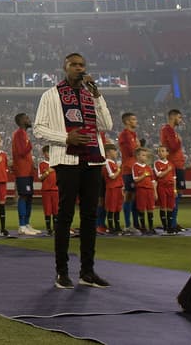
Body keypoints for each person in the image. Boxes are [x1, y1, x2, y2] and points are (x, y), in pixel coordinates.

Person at [34, 52, 113, 290]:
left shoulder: (91, 94)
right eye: (74, 65)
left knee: (90, 216)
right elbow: (38, 129)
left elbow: (107, 125)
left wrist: (98, 97)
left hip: (93, 160)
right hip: (67, 159)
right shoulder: (51, 95)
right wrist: (65, 137)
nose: (79, 68)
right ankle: (62, 271)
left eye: (82, 65)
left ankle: (87, 272)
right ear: (65, 67)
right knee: (65, 215)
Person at [12, 113, 40, 236]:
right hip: (22, 172)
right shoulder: (19, 133)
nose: (29, 120)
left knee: (28, 197)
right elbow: (21, 152)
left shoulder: (23, 134)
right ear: (21, 121)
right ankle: (22, 226)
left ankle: (27, 224)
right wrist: (30, 145)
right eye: (27, 118)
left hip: (27, 171)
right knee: (23, 196)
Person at [160, 109, 186, 230]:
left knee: (177, 194)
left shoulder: (171, 130)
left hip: (177, 164)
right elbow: (174, 147)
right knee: (175, 194)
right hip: (174, 165)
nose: (180, 120)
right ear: (173, 117)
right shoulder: (168, 130)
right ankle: (172, 223)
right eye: (179, 117)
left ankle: (173, 222)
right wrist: (179, 140)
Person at [116, 112, 138, 238]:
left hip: (134, 168)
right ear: (127, 121)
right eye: (133, 119)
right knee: (129, 196)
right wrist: (138, 147)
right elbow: (132, 151)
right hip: (128, 169)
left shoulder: (133, 134)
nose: (136, 121)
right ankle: (128, 225)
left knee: (134, 196)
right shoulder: (125, 135)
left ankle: (134, 224)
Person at [153, 144, 178, 234]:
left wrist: (175, 190)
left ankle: (170, 227)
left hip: (170, 188)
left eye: (163, 151)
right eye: (159, 151)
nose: (160, 153)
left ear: (167, 153)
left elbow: (174, 178)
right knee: (163, 207)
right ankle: (165, 228)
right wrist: (167, 170)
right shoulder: (157, 163)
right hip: (162, 187)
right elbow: (159, 175)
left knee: (170, 207)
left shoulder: (171, 164)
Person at [132, 148, 156, 234]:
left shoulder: (148, 167)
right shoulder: (135, 166)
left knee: (150, 209)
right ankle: (143, 227)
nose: (145, 157)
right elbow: (135, 179)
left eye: (145, 155)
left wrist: (155, 192)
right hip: (141, 190)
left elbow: (153, 181)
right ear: (138, 156)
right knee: (141, 208)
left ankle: (151, 227)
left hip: (150, 190)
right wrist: (144, 175)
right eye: (143, 155)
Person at [102, 150, 124, 235]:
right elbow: (112, 176)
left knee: (117, 208)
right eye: (114, 151)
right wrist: (118, 170)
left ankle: (117, 227)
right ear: (108, 153)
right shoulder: (107, 162)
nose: (116, 153)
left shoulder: (114, 163)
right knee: (111, 208)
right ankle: (111, 227)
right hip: (112, 188)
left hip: (118, 188)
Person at [38, 154, 58, 236]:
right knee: (47, 210)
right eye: (48, 152)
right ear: (44, 153)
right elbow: (40, 178)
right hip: (46, 190)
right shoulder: (42, 164)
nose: (49, 154)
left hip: (56, 190)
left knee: (56, 210)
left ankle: (56, 229)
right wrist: (47, 172)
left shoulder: (57, 164)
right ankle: (49, 229)